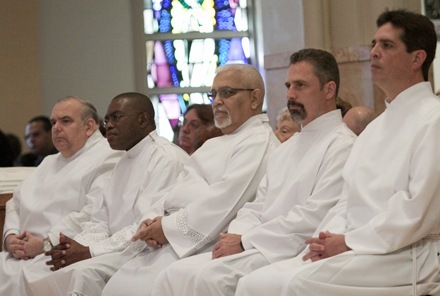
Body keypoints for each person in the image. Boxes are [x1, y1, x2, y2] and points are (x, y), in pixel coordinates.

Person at [235, 9, 440, 296]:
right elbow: (347, 200)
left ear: (417, 58)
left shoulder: (433, 119)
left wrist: (349, 241)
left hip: (409, 253)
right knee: (253, 283)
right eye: (373, 44)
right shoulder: (376, 127)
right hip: (359, 246)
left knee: (295, 285)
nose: (375, 53)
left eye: (387, 45)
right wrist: (326, 238)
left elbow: (416, 210)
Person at [153, 48, 357, 296]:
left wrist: (245, 241)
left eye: (300, 85)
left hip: (286, 247)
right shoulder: (286, 148)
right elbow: (256, 206)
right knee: (174, 274)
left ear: (329, 90)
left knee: (212, 279)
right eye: (288, 85)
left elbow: (314, 215)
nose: (290, 94)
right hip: (257, 243)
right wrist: (236, 235)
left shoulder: (343, 145)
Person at [89, 63, 280, 296]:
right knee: (116, 286)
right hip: (168, 237)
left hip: (199, 241)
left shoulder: (257, 141)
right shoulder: (216, 142)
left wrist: (167, 228)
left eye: (227, 92)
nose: (217, 101)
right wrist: (152, 219)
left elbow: (224, 202)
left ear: (254, 98)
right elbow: (174, 189)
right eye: (214, 94)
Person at [18, 92, 189, 295]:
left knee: (82, 273)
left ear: (143, 119)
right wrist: (75, 246)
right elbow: (101, 220)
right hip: (115, 250)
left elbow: (145, 228)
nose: (108, 125)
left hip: (147, 252)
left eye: (116, 117)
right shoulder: (123, 162)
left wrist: (88, 251)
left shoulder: (166, 158)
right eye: (107, 119)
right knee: (42, 267)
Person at [0, 96, 123, 295]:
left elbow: (94, 212)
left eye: (65, 121)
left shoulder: (108, 157)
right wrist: (11, 236)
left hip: (60, 253)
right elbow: (16, 201)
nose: (56, 128)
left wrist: (45, 243)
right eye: (53, 122)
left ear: (89, 126)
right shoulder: (49, 161)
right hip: (23, 254)